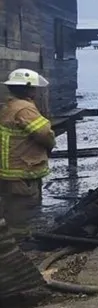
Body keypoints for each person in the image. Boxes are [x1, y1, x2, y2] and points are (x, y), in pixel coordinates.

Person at [0, 69, 55, 239]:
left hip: (10, 169)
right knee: (21, 210)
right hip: (22, 169)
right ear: (28, 88)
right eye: (34, 88)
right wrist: (51, 145)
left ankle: (12, 240)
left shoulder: (8, 106)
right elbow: (45, 134)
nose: (36, 92)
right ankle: (20, 246)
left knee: (10, 207)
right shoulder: (25, 109)